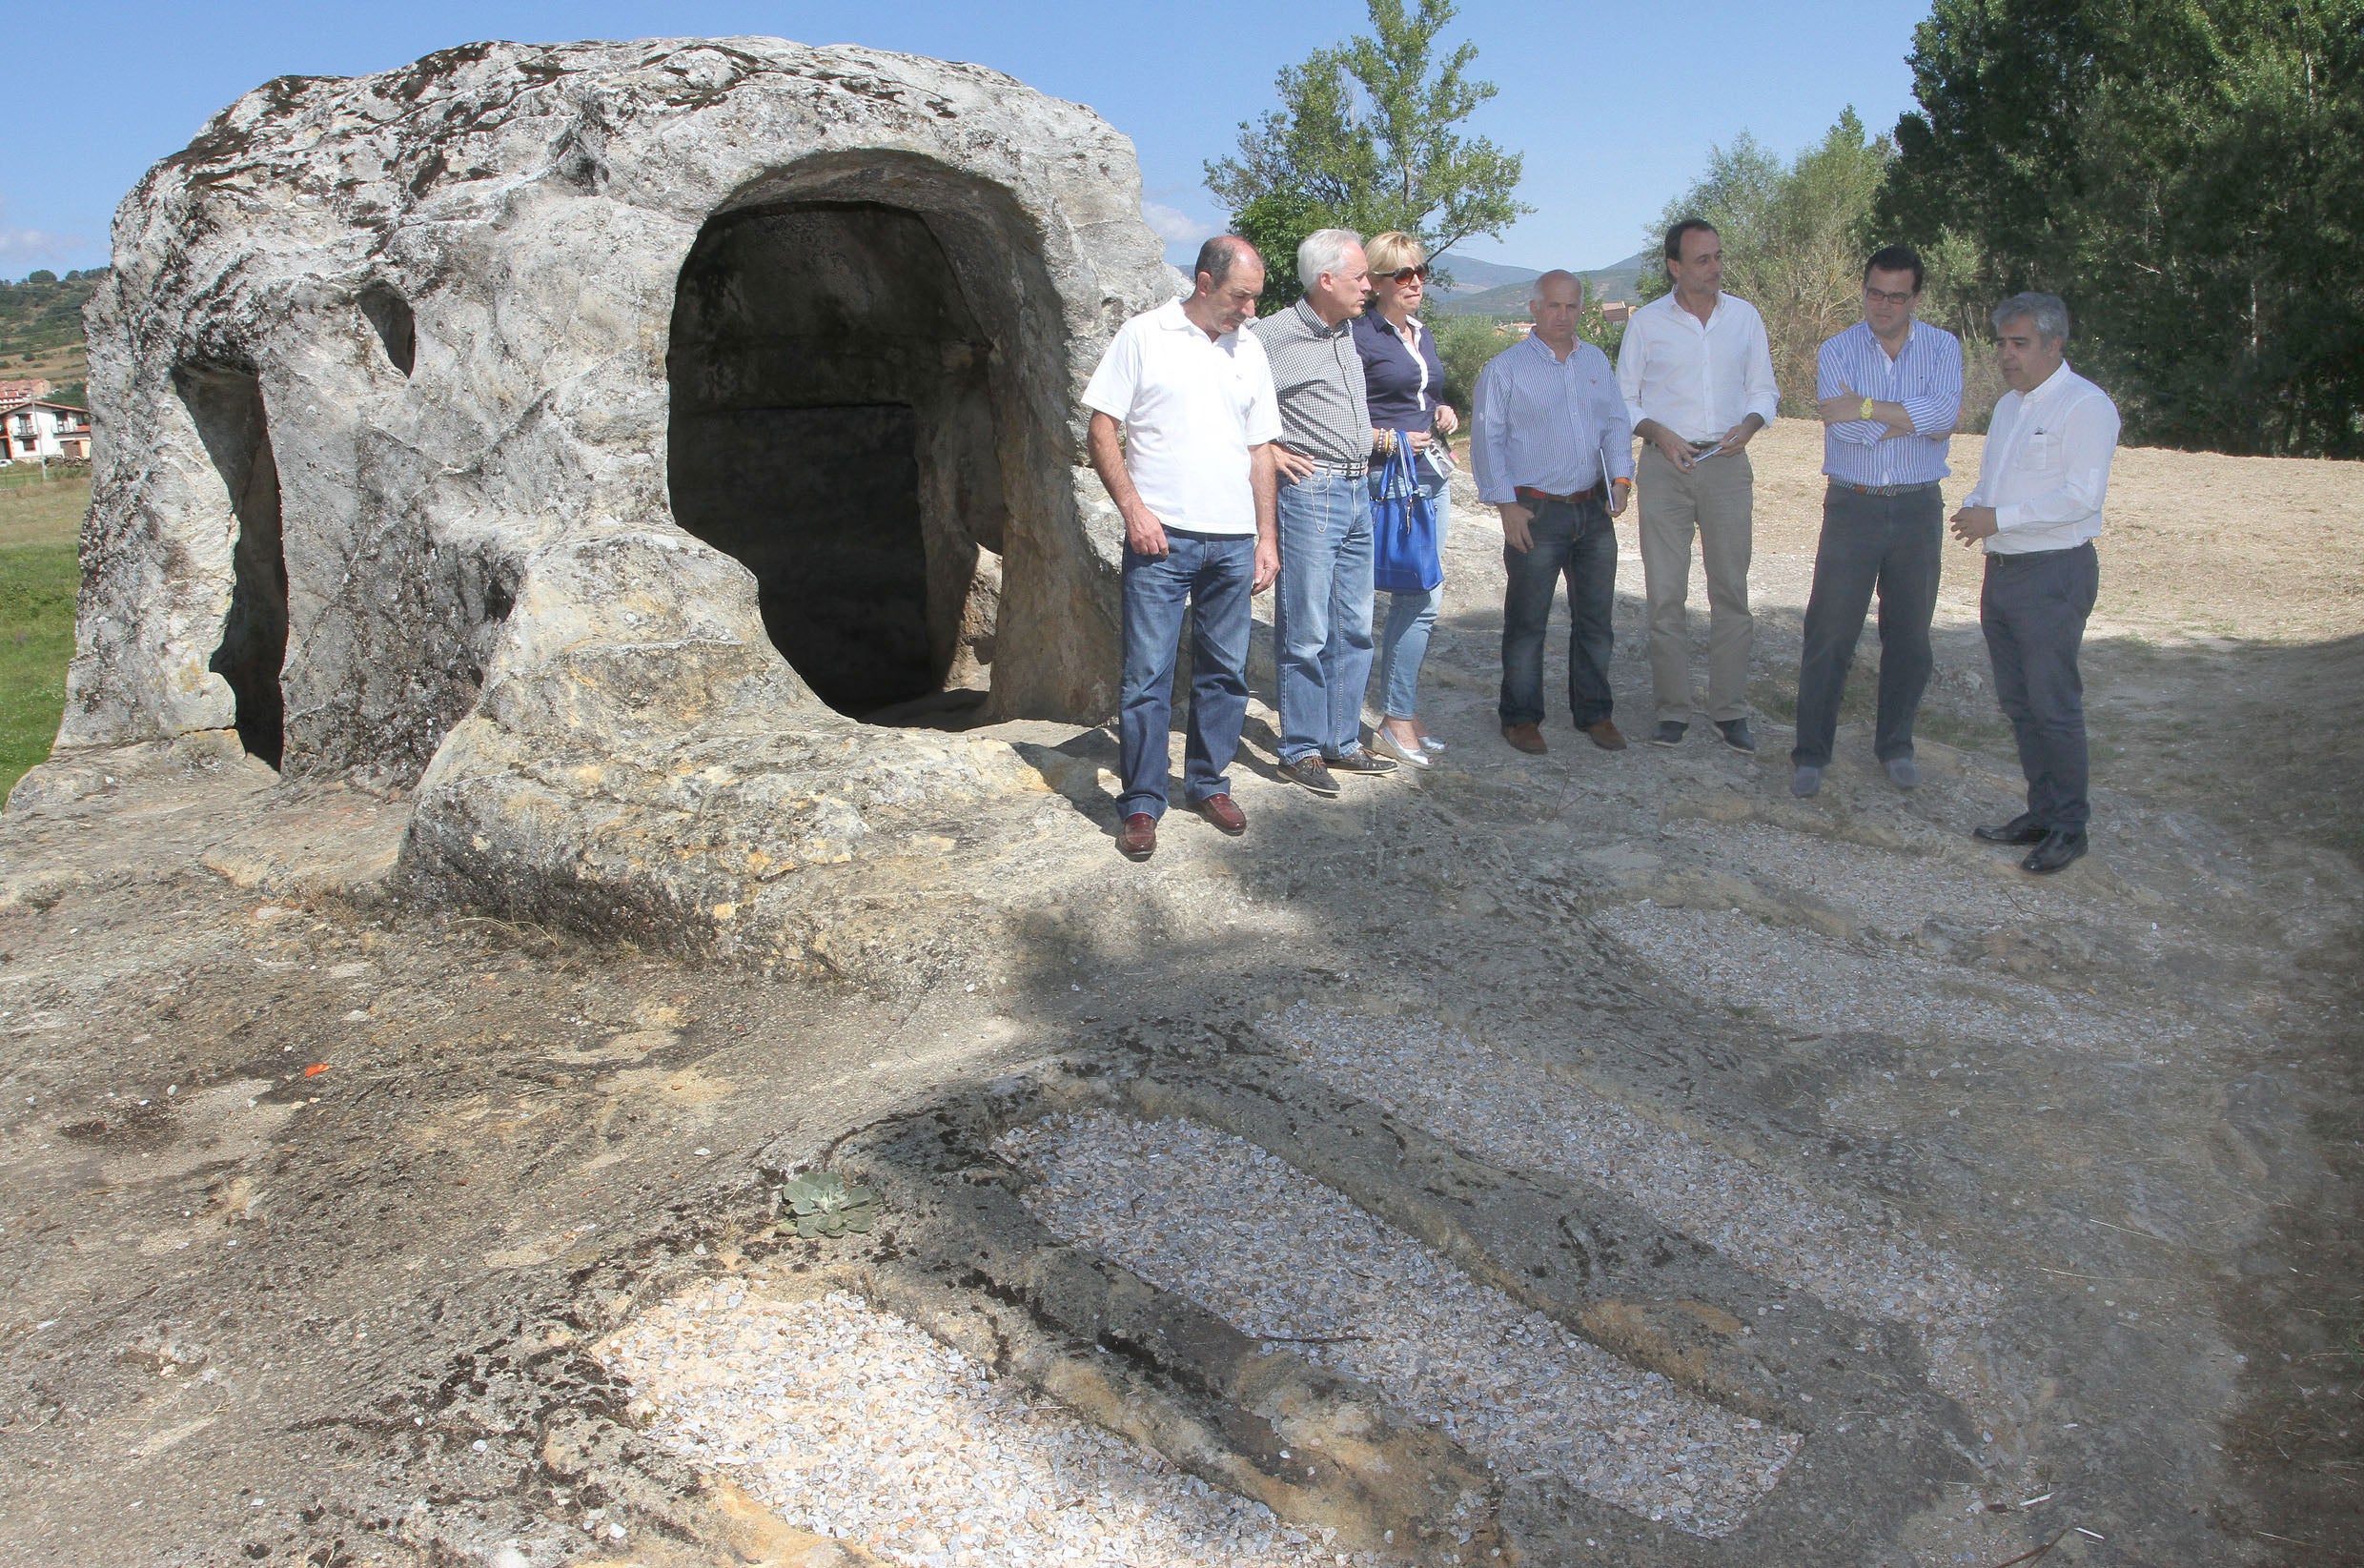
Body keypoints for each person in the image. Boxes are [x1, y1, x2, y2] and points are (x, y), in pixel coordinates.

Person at [1083, 234, 1281, 862]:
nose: (1249, 311)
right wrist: (1134, 510)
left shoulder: (1250, 349)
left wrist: (1266, 536)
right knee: (1147, 677)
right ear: (1203, 281)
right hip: (1160, 539)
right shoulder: (1145, 335)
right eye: (1240, 297)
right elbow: (1102, 426)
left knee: (1224, 673)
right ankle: (1142, 802)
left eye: (1256, 299)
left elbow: (1260, 450)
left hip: (1232, 542)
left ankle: (1207, 783)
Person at [1949, 292, 2119, 875]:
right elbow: (1993, 481)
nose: (2006, 355)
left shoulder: (2085, 406)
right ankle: (2043, 812)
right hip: (2004, 570)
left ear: (2054, 344)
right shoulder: (2007, 407)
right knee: (2020, 703)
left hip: (2053, 572)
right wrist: (1977, 507)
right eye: (2001, 343)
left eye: (2019, 344)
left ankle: (2071, 826)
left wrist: (1996, 519)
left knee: (2054, 705)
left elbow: (2080, 497)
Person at [1790, 245, 1965, 798]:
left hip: (1918, 507)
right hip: (1853, 506)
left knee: (1910, 636)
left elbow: (1945, 418)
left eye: (1897, 296)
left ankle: (1896, 746)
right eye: (1874, 292)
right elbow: (1845, 431)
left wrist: (1866, 406)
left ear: (1916, 297)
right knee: (1829, 633)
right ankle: (1811, 753)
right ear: (1862, 288)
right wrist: (1910, 417)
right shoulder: (1837, 349)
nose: (1883, 305)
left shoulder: (1942, 346)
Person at [1615, 219, 1779, 753]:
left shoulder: (1745, 318)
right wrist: (1659, 434)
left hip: (1728, 465)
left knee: (1731, 591)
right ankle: (1672, 710)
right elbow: (1624, 400)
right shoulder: (1648, 325)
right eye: (1702, 260)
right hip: (1665, 467)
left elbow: (1764, 390)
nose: (1714, 268)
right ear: (1675, 267)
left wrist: (1749, 427)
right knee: (1666, 596)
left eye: (1717, 257)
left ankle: (1730, 710)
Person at [1471, 270, 1635, 756]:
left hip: (1592, 510)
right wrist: (1506, 506)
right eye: (1554, 306)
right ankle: (1520, 718)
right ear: (1535, 309)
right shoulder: (1506, 369)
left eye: (1572, 306)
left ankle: (1595, 713)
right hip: (1535, 511)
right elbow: (1487, 440)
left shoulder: (1596, 362)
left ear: (1581, 309)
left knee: (1596, 620)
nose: (1563, 316)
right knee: (1527, 622)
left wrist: (1620, 480)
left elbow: (1616, 425)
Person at [1256, 228, 1395, 796]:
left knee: (1355, 625)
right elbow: (1228, 397)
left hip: (1359, 489)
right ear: (1327, 280)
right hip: (1312, 493)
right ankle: (1301, 747)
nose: (1370, 286)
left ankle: (1341, 741)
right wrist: (1268, 450)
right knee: (1307, 627)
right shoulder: (1272, 336)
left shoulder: (1347, 329)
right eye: (1361, 277)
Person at [1351, 231, 1461, 768]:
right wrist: (1389, 437)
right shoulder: (1359, 336)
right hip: (1391, 481)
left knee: (1421, 595)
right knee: (1420, 596)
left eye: (1420, 271)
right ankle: (1395, 718)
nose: (1415, 281)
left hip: (1429, 476)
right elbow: (1344, 413)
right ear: (1374, 283)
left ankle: (1403, 710)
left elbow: (1426, 394)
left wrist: (1443, 412)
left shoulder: (1421, 333)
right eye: (1402, 274)